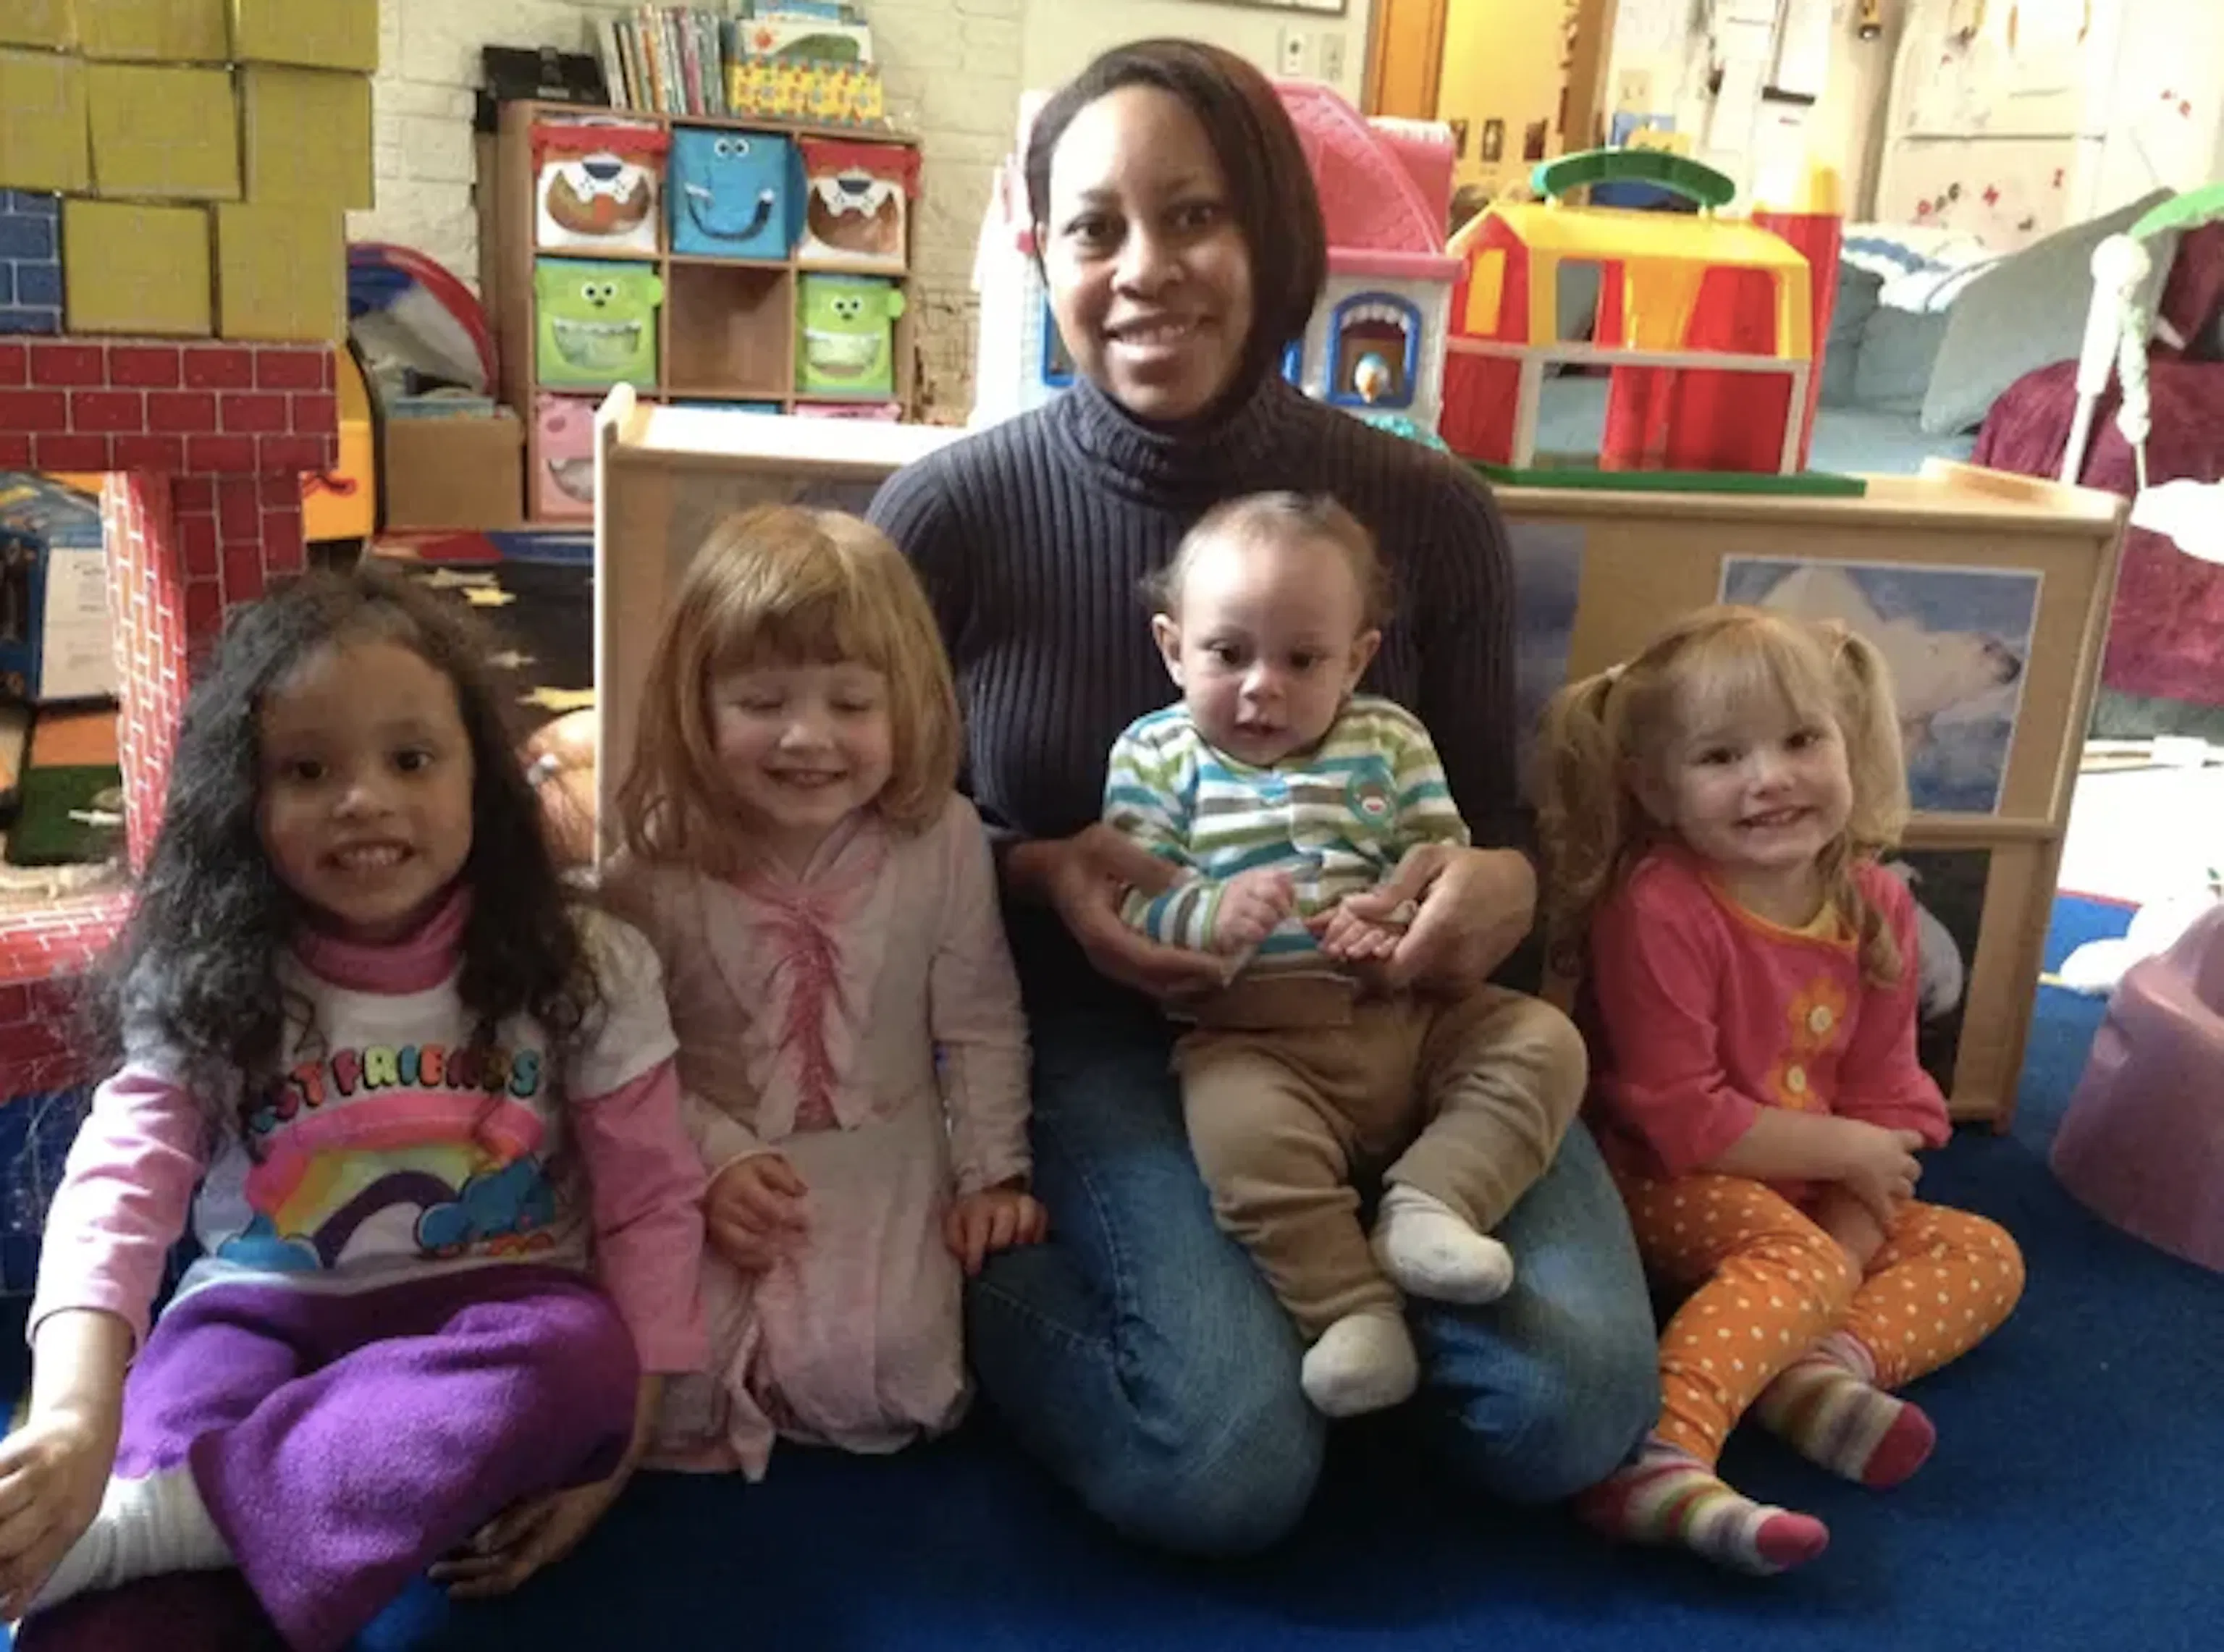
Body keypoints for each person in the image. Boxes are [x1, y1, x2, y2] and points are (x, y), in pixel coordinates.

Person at [868, 35, 1657, 1554]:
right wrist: (1043, 872)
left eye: (1195, 216)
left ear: (1279, 240)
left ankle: (1347, 1289)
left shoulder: (1427, 512)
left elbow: (1495, 822)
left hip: (1405, 1023)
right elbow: (867, 830)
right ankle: (981, 1271)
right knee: (1222, 1465)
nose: (1143, 269)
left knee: (1568, 1410)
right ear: (1046, 258)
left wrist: (1500, 886)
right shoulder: (949, 515)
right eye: (1094, 226)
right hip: (1107, 1041)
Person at [0, 565, 707, 1651]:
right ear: (244, 799)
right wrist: (74, 1415)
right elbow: (120, 1182)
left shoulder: (588, 961)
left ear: (483, 779)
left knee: (585, 1361)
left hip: (492, 1325)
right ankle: (193, 1526)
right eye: (306, 770)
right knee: (98, 1605)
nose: (363, 799)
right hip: (258, 1317)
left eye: (411, 759)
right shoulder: (213, 967)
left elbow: (650, 1197)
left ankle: (179, 1523)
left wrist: (622, 1445)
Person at [1534, 606, 2026, 1575]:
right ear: (1655, 787)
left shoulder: (1875, 900)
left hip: (1818, 1190)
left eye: (1803, 740)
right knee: (1795, 1259)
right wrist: (1842, 1179)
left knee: (1984, 1252)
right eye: (1721, 756)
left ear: (1851, 744)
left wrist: (1850, 1229)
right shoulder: (1659, 904)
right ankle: (1660, 1452)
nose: (1770, 777)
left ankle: (1811, 1368)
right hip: (1664, 1179)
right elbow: (1681, 1115)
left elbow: (1890, 1099)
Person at [1103, 492, 1582, 1419]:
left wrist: (1399, 919)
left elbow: (1438, 864)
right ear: (1172, 647)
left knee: (1544, 1041)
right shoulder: (1155, 754)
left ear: (1357, 658)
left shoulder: (1390, 738)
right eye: (1227, 653)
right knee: (1240, 1141)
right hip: (1253, 1040)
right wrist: (1210, 912)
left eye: (1303, 659)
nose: (1262, 686)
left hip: (1410, 1012)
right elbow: (1131, 894)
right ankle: (1351, 1312)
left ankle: (1433, 1204)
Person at [599, 505, 1043, 1480]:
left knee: (890, 1367)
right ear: (697, 704)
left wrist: (992, 1175)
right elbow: (619, 1060)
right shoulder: (657, 862)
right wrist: (713, 1161)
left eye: (851, 703)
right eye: (762, 701)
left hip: (883, 1153)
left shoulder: (944, 839)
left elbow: (978, 1019)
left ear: (907, 704)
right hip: (706, 1151)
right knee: (666, 1371)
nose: (808, 737)